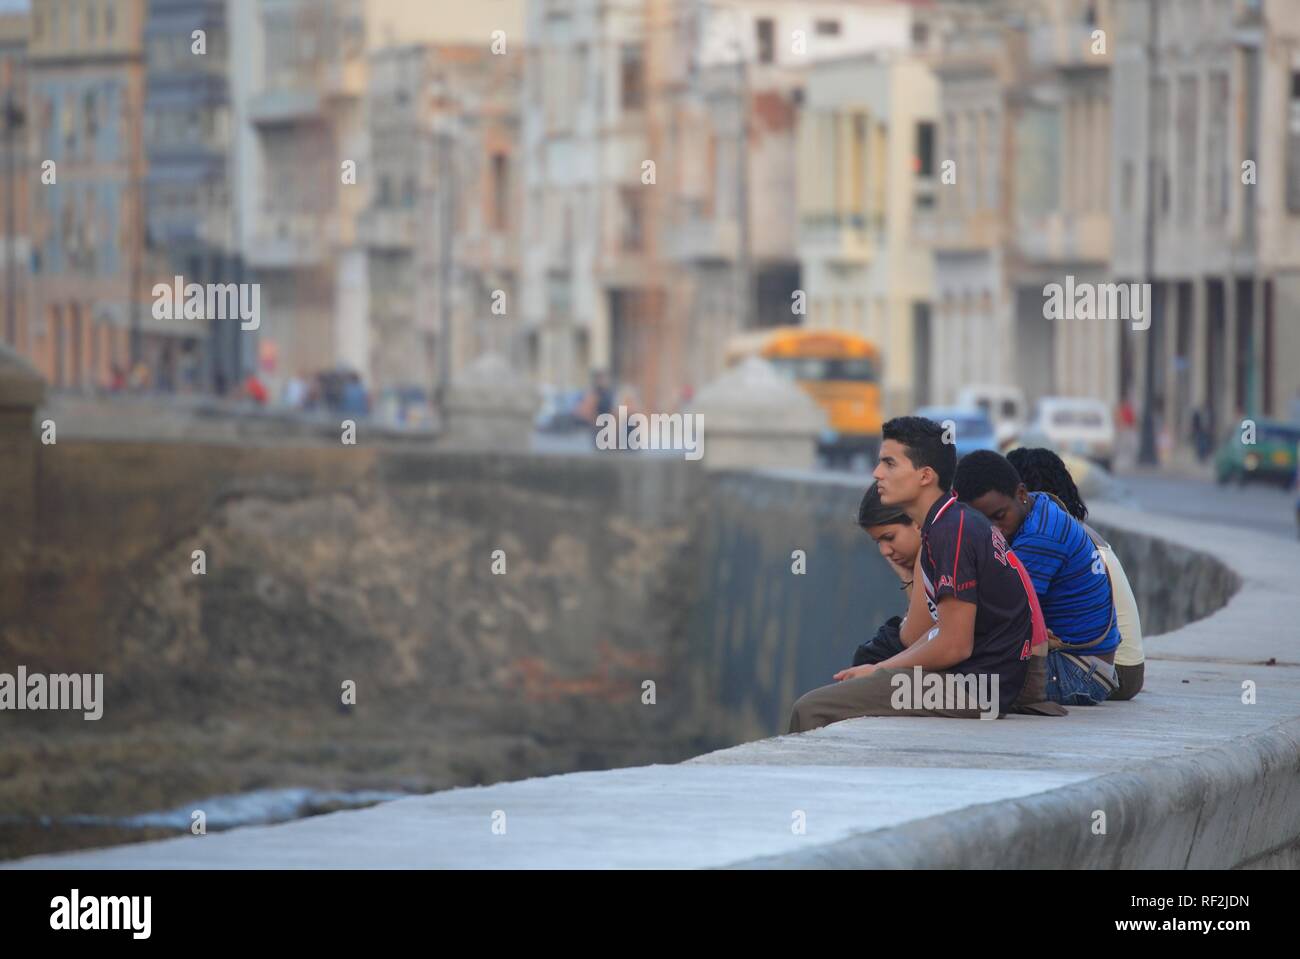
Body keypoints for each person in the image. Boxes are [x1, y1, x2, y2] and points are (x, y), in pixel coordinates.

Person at [787, 417, 1046, 732]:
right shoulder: (951, 522)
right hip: (977, 683)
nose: (877, 473)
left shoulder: (952, 531)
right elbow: (943, 631)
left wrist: (880, 670)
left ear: (925, 476)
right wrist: (880, 669)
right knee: (853, 680)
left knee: (812, 709)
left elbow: (955, 644)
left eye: (889, 464)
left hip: (973, 690)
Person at [954, 450, 1121, 706]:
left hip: (1078, 671)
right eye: (982, 522)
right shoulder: (1040, 506)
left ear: (1021, 494)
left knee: (944, 684)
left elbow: (999, 616)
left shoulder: (1039, 539)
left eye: (999, 517)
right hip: (1085, 663)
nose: (993, 530)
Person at [1006, 447, 1145, 700]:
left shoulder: (1045, 538)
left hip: (1114, 670)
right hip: (1116, 660)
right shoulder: (1073, 531)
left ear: (1023, 493)